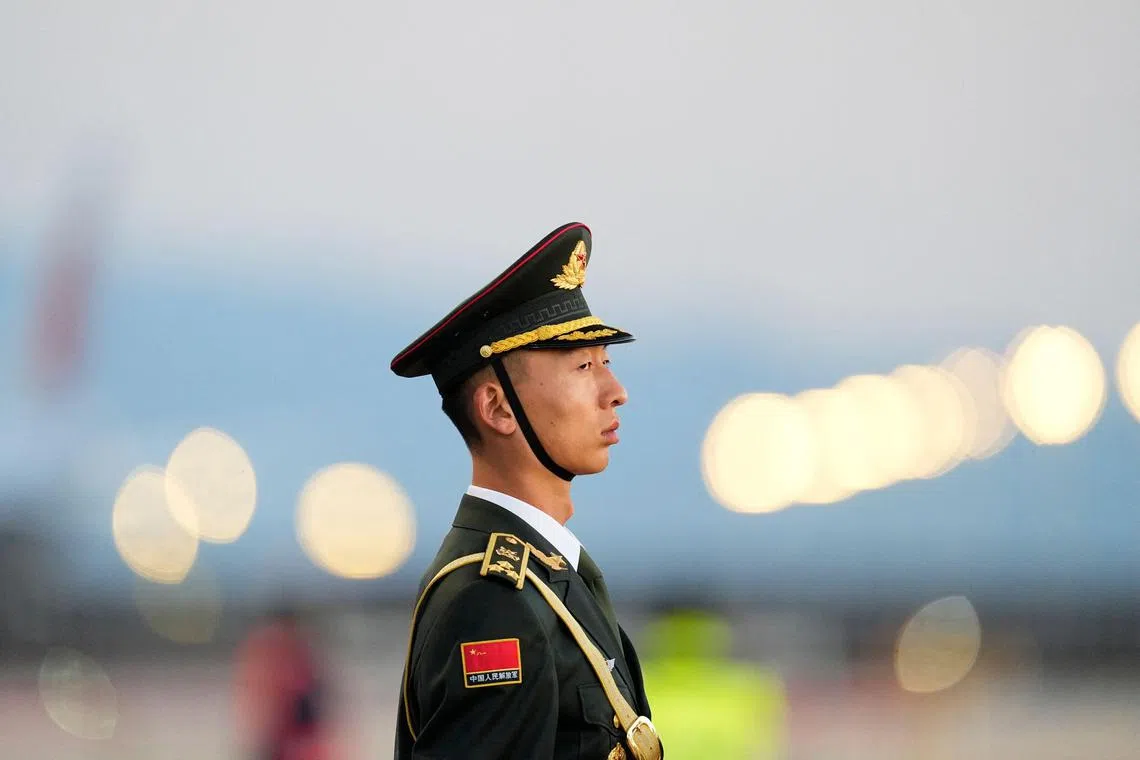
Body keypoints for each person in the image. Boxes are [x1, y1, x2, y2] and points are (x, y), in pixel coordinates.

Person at [390, 222, 661, 760]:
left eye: (606, 362)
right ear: (497, 408)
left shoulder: (554, 574)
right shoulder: (491, 602)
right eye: (584, 366)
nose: (616, 392)